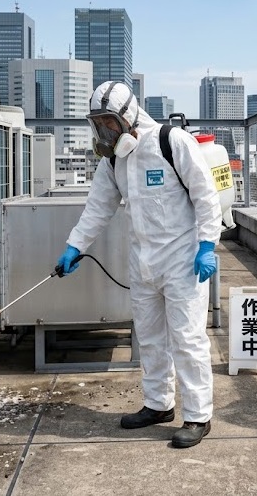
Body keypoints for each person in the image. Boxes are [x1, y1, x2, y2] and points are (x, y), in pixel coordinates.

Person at [56, 81, 223, 448]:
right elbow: (98, 208)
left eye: (110, 122)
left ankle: (198, 415)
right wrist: (74, 247)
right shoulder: (114, 159)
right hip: (143, 262)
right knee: (148, 337)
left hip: (184, 261)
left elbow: (206, 194)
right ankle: (158, 404)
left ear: (128, 115)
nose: (106, 131)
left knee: (188, 339)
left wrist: (207, 245)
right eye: (99, 123)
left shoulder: (171, 141)